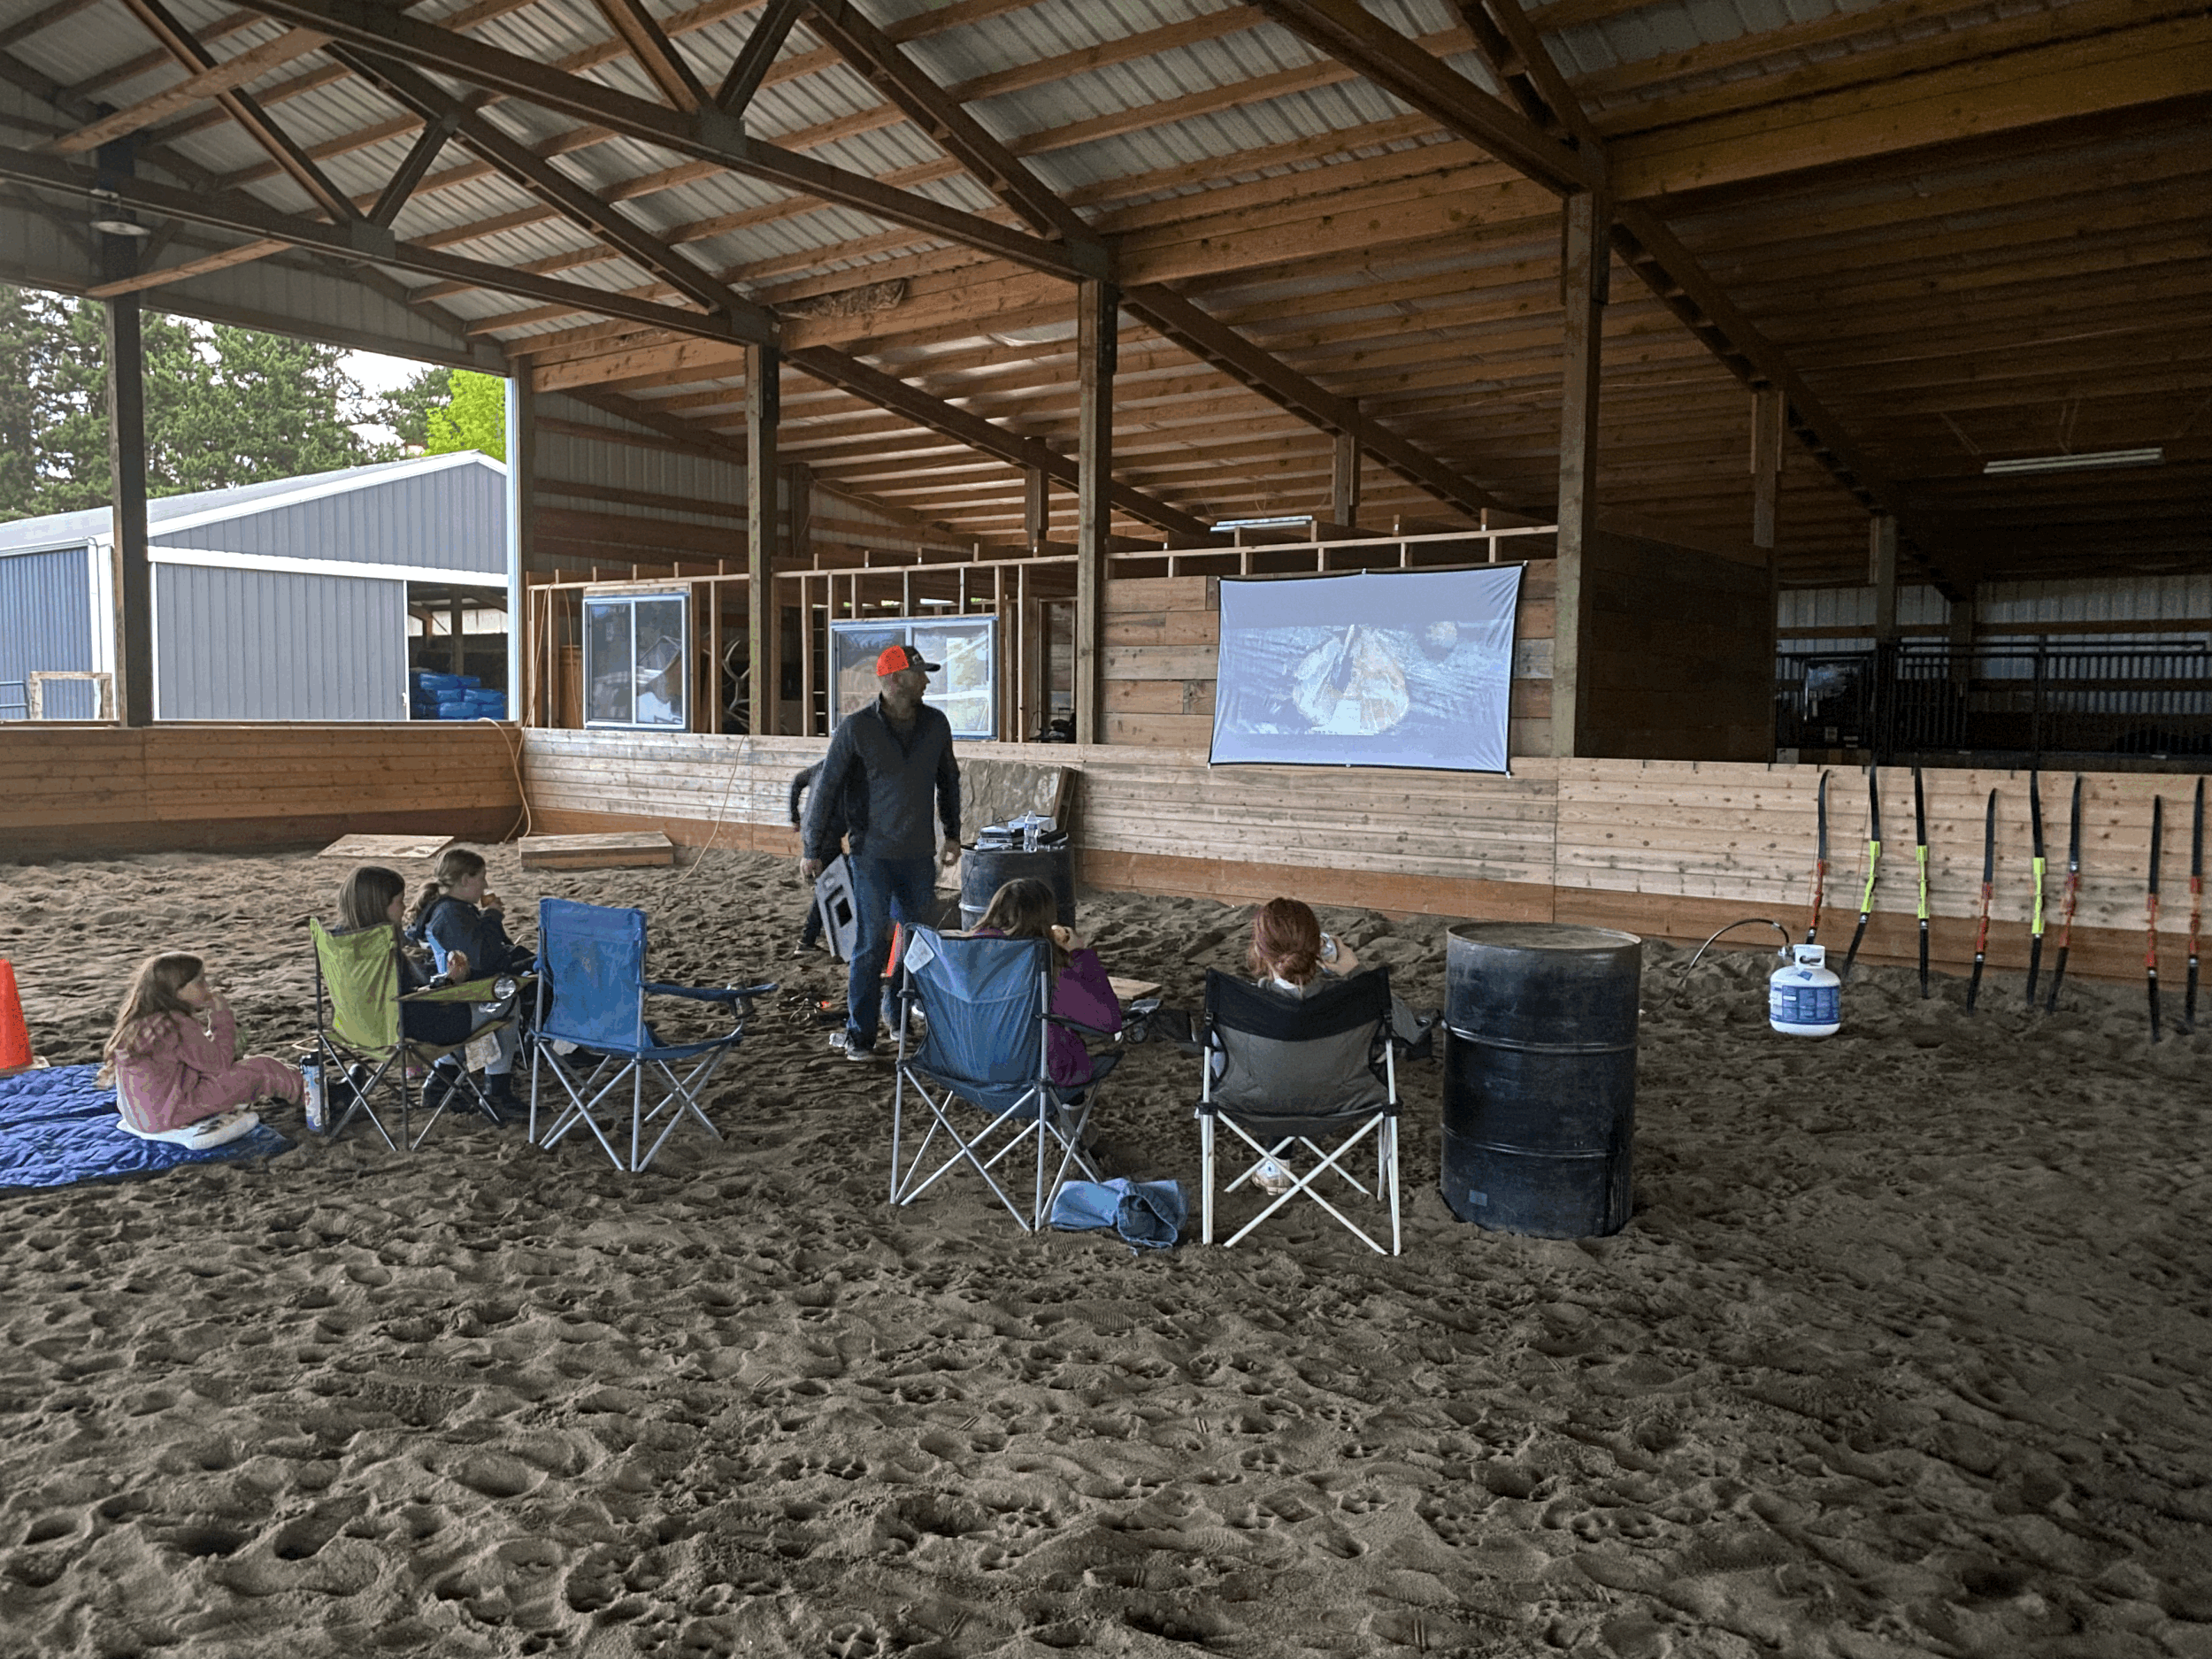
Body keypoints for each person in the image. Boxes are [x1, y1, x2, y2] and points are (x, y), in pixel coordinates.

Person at [801, 644, 961, 1060]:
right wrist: (812, 848)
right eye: (919, 673)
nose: (926, 680)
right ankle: (860, 1035)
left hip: (918, 855)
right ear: (894, 680)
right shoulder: (855, 729)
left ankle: (899, 1016)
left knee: (919, 943)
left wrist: (953, 833)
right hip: (871, 855)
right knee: (870, 944)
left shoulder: (936, 724)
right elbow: (827, 789)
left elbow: (949, 780)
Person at [100, 951, 300, 1147]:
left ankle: (290, 1089)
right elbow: (220, 1064)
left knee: (242, 1066)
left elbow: (196, 1058)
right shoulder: (175, 1024)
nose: (207, 987)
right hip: (171, 1114)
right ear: (176, 990)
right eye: (200, 982)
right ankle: (310, 1095)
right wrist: (221, 1016)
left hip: (140, 1116)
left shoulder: (138, 1022)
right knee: (263, 1068)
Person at [969, 877, 1122, 1087]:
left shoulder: (965, 957)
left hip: (969, 1068)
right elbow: (1109, 1020)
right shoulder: (1046, 972)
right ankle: (1068, 1115)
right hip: (1032, 1078)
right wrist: (1080, 955)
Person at [787, 761, 850, 956]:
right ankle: (808, 939)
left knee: (829, 885)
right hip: (825, 835)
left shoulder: (821, 766)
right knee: (829, 886)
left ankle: (816, 936)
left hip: (813, 831)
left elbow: (797, 781)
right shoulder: (843, 770)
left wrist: (794, 816)